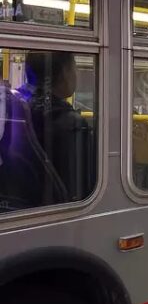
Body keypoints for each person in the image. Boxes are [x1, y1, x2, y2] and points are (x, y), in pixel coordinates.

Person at [26, 51, 94, 202]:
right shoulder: (72, 125)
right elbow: (81, 191)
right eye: (74, 67)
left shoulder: (26, 110)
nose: (77, 73)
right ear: (65, 73)